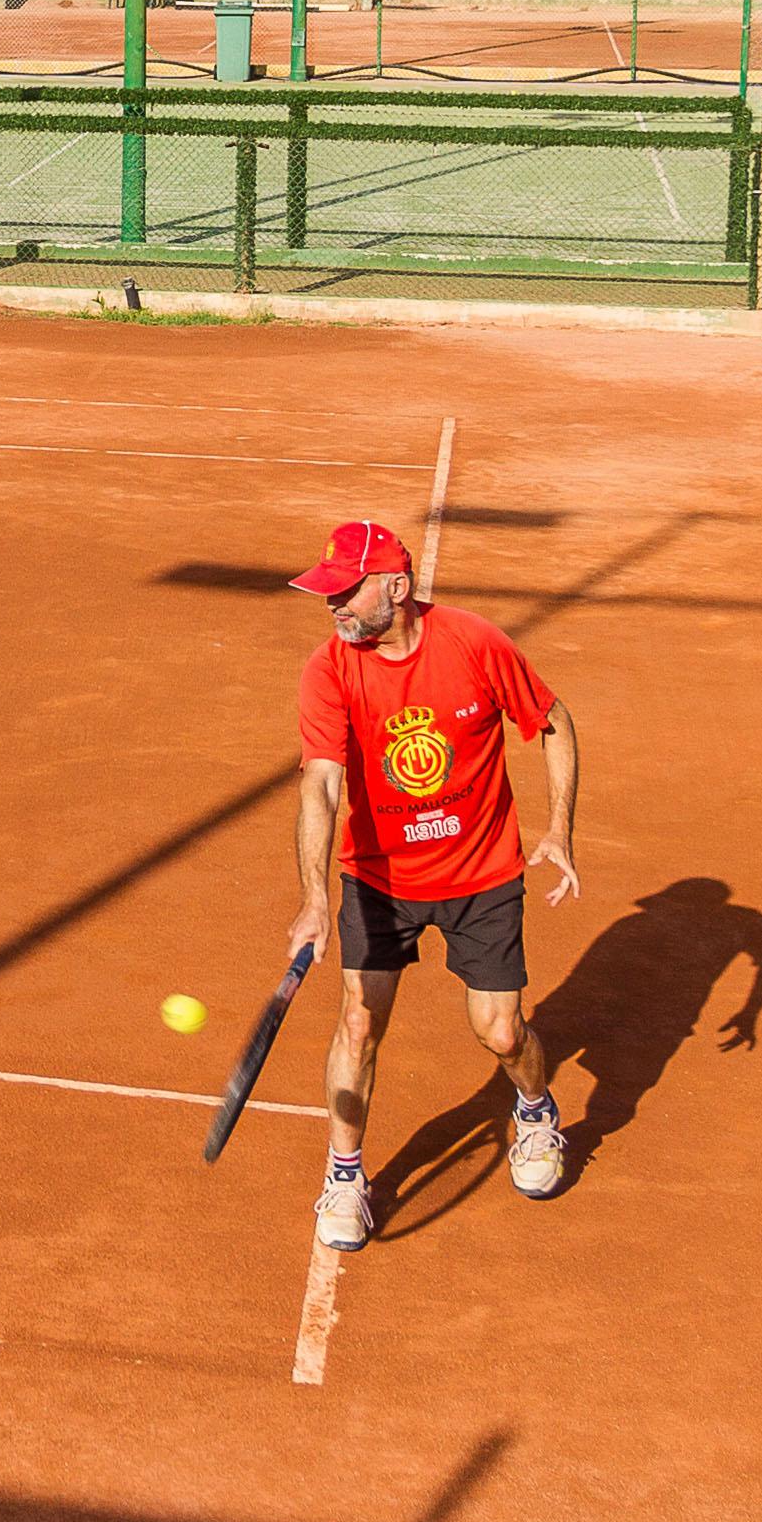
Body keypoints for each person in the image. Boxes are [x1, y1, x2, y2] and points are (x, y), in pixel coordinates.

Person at [280, 516, 584, 1252]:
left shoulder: (475, 644)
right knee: (360, 1019)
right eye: (328, 595)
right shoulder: (330, 669)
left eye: (346, 593)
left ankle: (536, 1111)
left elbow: (553, 720)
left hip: (482, 872)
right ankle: (346, 1175)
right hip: (380, 881)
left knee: (502, 1030)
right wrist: (318, 898)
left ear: (398, 587)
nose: (335, 608)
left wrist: (559, 829)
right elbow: (321, 785)